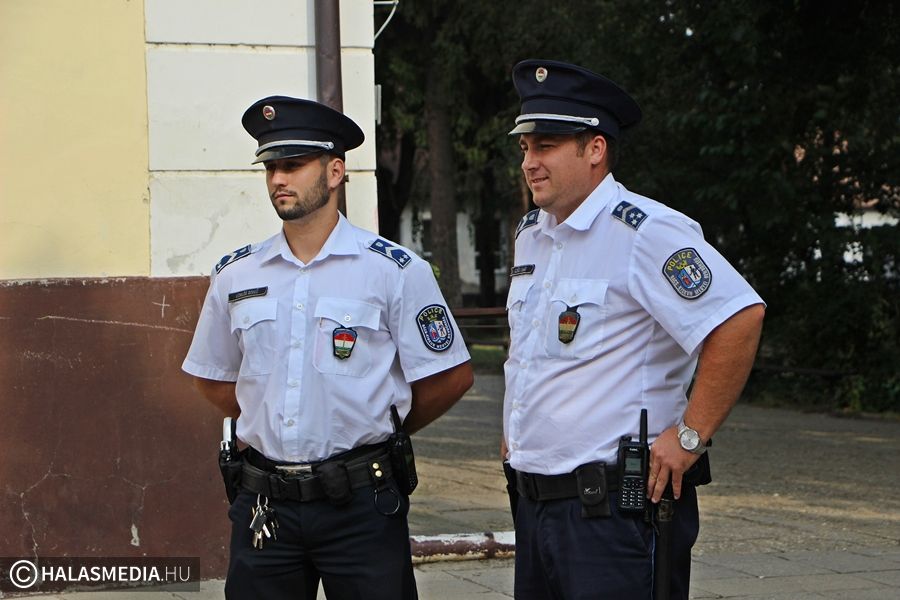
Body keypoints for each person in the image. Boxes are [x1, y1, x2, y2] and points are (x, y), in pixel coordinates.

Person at [182, 95, 473, 600]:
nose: (278, 179)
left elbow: (450, 376)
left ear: (335, 171)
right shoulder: (236, 274)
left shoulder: (392, 270)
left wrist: (380, 426)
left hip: (360, 504)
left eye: (293, 165)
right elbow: (213, 376)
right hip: (265, 504)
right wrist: (269, 416)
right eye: (271, 167)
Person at [501, 59, 766, 599]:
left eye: (546, 146)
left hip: (612, 516)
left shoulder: (645, 231)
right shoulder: (532, 234)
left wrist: (690, 435)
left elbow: (738, 317)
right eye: (525, 147)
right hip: (535, 504)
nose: (529, 162)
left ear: (595, 149)